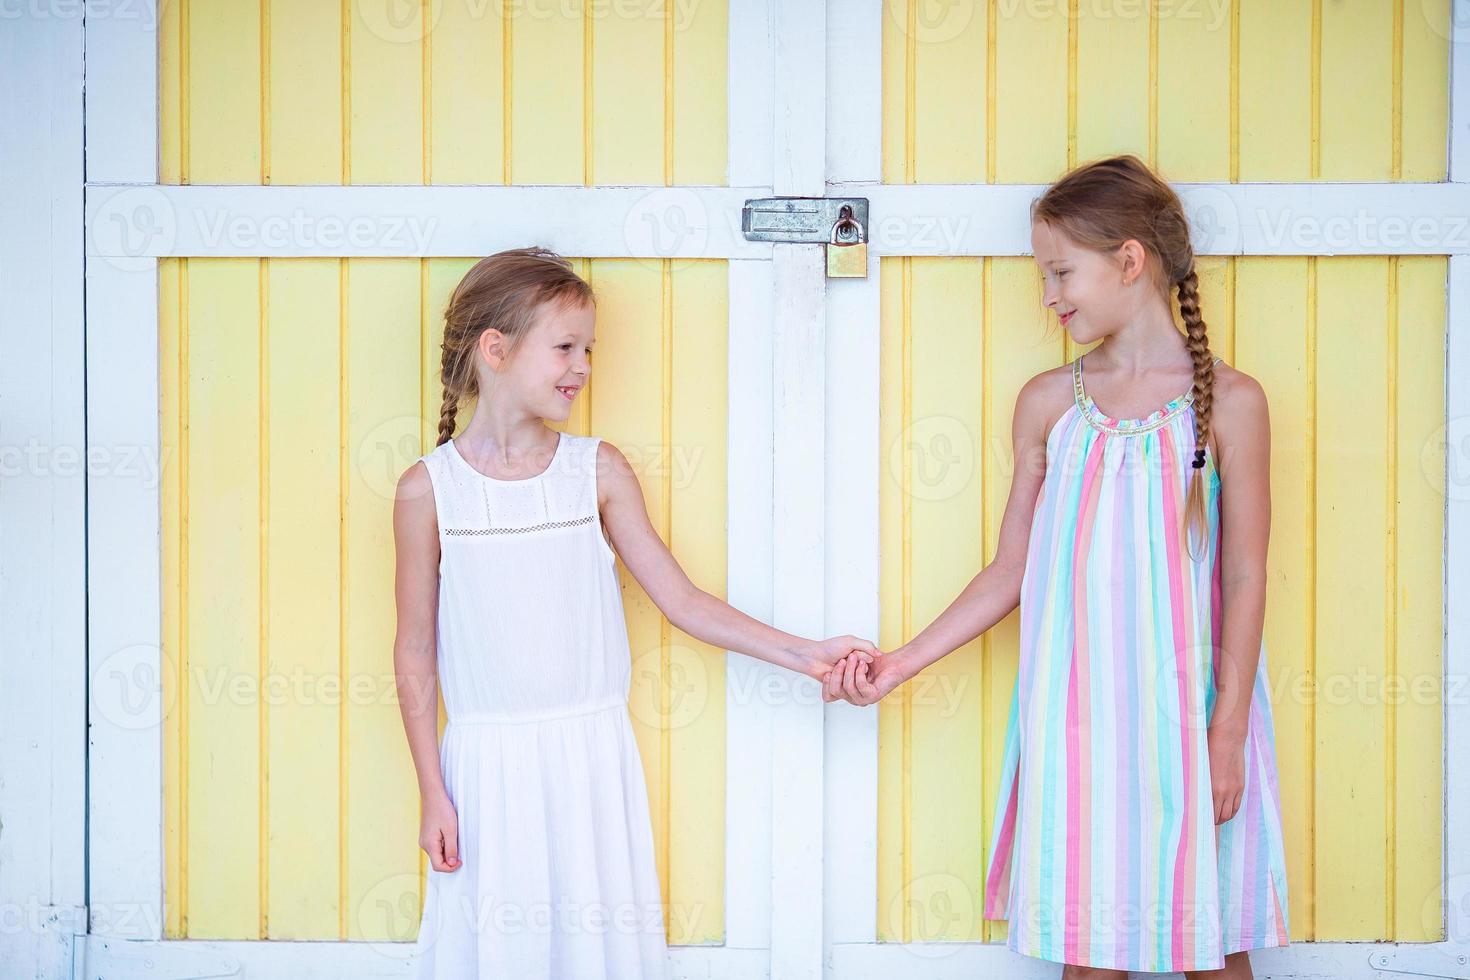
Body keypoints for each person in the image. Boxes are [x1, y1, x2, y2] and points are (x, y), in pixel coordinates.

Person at [824, 155, 1291, 978]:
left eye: (1060, 271)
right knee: (1089, 951)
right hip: (1076, 725)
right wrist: (900, 663)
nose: (1049, 295)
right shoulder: (1048, 404)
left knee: (1213, 948)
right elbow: (1011, 570)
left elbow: (1246, 577)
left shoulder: (1234, 403)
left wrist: (1227, 735)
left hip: (1191, 716)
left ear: (1130, 260)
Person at [395, 246, 877, 979]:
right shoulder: (428, 491)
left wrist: (805, 653)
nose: (582, 365)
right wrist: (433, 790)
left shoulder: (597, 470)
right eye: (565, 346)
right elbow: (414, 652)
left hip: (590, 763)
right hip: (484, 775)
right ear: (495, 350)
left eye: (587, 348)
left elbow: (682, 600)